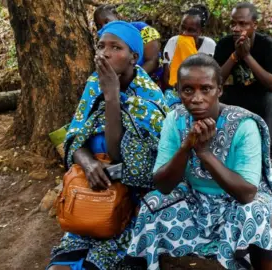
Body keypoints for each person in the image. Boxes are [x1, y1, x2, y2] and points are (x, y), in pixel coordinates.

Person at [124, 54, 272, 270]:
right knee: (151, 205)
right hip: (194, 197)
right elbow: (162, 185)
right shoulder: (175, 119)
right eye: (188, 90)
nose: (197, 98)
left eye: (206, 89)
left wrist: (205, 153)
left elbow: (246, 194)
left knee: (254, 212)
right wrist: (186, 147)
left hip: (236, 201)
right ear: (178, 91)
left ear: (220, 90)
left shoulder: (244, 125)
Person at [47, 21, 168, 270]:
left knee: (102, 263)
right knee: (59, 267)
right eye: (101, 46)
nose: (105, 53)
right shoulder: (94, 85)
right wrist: (88, 162)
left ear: (134, 57)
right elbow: (75, 137)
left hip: (132, 204)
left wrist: (112, 96)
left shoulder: (149, 97)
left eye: (116, 47)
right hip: (91, 194)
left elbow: (120, 155)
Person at [214, 2, 272, 160]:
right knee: (214, 96)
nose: (236, 28)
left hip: (261, 96)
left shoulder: (267, 44)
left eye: (242, 24)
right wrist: (235, 56)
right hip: (237, 95)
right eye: (233, 23)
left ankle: (268, 156)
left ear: (254, 25)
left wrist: (246, 56)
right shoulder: (225, 44)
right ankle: (216, 151)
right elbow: (216, 81)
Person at [162, 4, 217, 109]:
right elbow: (167, 78)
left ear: (201, 31)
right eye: (182, 27)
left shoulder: (209, 46)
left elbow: (211, 77)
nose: (184, 33)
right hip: (175, 92)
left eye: (191, 30)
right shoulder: (173, 42)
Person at [94, 4, 163, 85]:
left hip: (151, 80)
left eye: (106, 21)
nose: (104, 27)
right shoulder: (105, 39)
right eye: (99, 25)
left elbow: (152, 61)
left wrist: (130, 82)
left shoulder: (142, 29)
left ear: (117, 16)